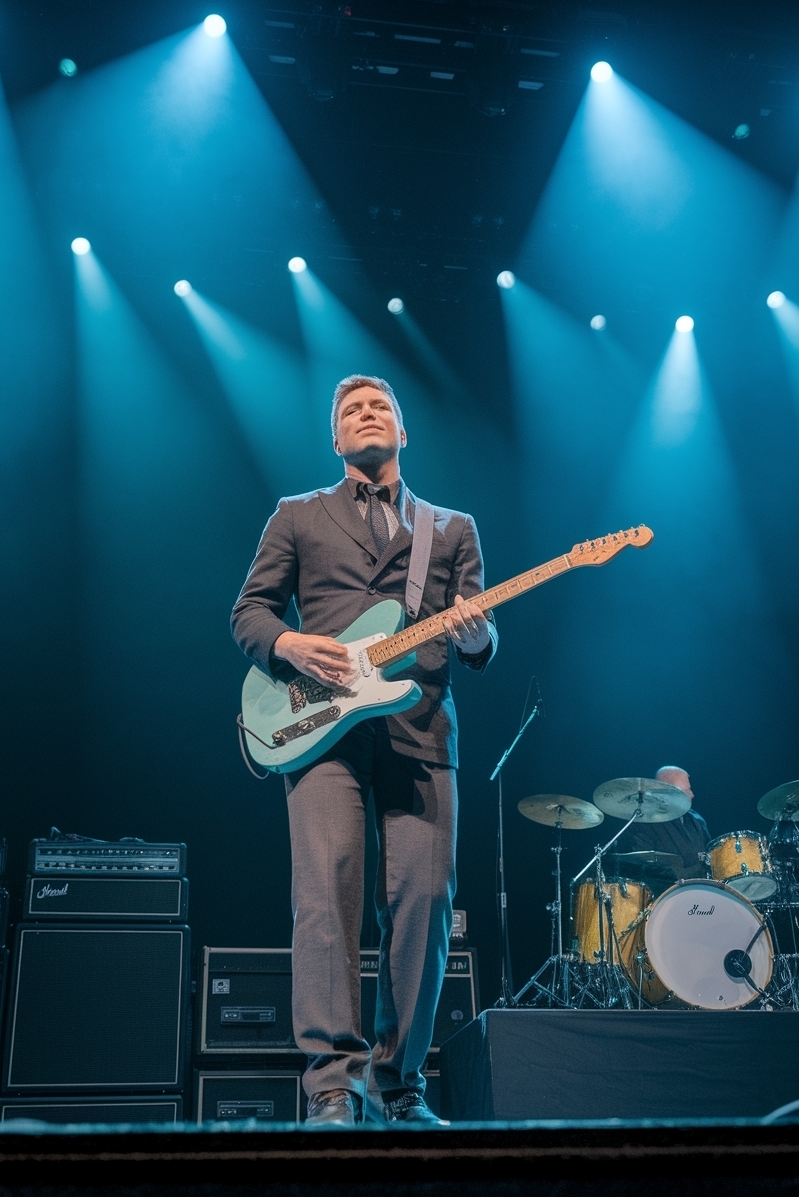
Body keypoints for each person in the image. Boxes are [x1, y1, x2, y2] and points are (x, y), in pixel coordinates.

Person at [231, 374, 497, 1125]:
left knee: (424, 904)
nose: (366, 415)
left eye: (380, 406)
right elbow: (248, 612)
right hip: (319, 731)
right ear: (337, 439)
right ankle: (332, 1086)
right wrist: (286, 641)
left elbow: (478, 637)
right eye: (351, 410)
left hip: (421, 730)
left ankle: (400, 1083)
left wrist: (478, 631)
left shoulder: (452, 528)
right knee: (326, 895)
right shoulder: (297, 516)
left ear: (403, 433)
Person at [612, 766, 710, 889]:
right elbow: (646, 872)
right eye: (687, 791)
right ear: (667, 795)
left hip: (702, 892)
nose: (692, 794)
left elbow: (710, 856)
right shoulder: (642, 824)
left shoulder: (696, 820)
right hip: (665, 898)